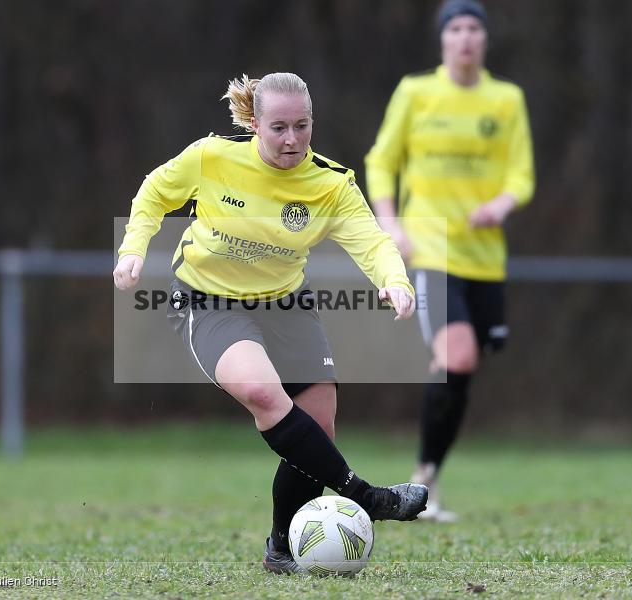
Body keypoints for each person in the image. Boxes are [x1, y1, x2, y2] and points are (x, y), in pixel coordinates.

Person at [114, 72, 428, 574]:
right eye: (278, 127)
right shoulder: (212, 157)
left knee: (319, 423)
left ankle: (281, 548)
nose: (292, 139)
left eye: (302, 126)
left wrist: (395, 280)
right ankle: (367, 498)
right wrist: (133, 249)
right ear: (254, 124)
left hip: (284, 302)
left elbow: (372, 242)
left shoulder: (330, 183)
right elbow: (154, 193)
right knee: (264, 395)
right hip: (208, 300)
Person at [365, 0, 535, 522]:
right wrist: (391, 224)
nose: (465, 38)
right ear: (443, 40)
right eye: (455, 28)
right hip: (431, 249)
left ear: (484, 40)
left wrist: (501, 204)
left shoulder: (506, 99)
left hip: (485, 259)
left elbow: (522, 175)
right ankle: (422, 483)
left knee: (461, 369)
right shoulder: (416, 92)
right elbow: (380, 161)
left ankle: (425, 478)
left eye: (473, 29)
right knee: (457, 358)